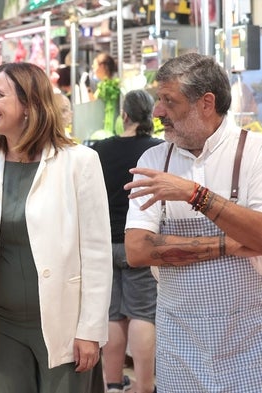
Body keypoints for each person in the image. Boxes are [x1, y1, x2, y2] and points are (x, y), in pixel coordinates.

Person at [0, 62, 112, 393]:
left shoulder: (79, 162)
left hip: (64, 321)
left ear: (29, 104)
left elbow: (96, 251)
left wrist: (91, 329)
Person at [124, 53, 262, 391]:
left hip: (249, 336)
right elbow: (137, 250)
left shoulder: (255, 152)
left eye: (169, 101)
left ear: (206, 103)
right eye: (159, 101)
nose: (157, 112)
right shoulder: (154, 159)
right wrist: (227, 244)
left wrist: (194, 194)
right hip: (178, 339)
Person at [91, 90, 163, 393]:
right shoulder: (159, 150)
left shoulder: (100, 150)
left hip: (105, 243)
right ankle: (145, 387)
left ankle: (113, 384)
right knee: (142, 314)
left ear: (124, 115)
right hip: (141, 241)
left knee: (113, 315)